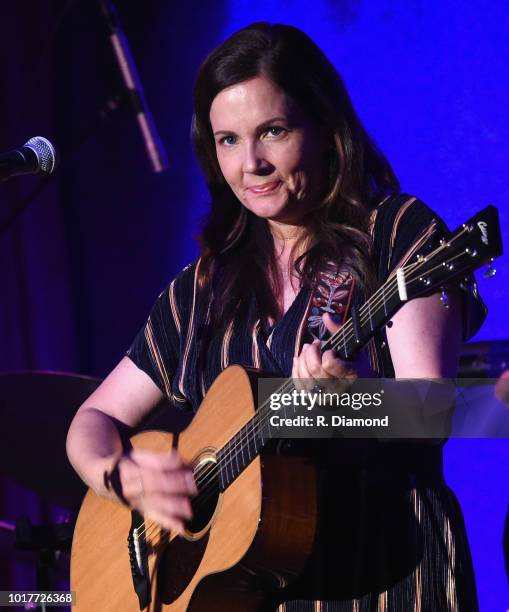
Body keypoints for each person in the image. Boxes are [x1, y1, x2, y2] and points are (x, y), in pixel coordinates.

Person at [66, 22, 486, 610]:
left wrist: (357, 403)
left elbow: (433, 410)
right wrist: (122, 476)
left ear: (323, 127)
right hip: (251, 592)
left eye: (273, 131)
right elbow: (94, 417)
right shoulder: (203, 290)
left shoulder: (395, 234)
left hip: (386, 574)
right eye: (228, 141)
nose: (252, 163)